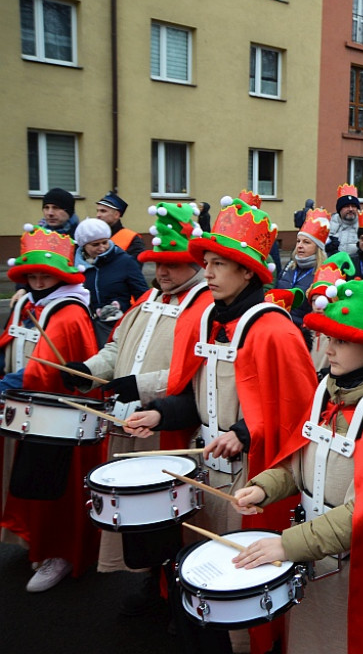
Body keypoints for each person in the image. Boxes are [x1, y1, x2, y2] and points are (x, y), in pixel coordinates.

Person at [124, 194, 317, 654]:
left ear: (247, 271)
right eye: (205, 262)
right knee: (201, 565)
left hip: (254, 475)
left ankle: (250, 642)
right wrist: (161, 413)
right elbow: (193, 396)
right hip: (204, 469)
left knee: (242, 574)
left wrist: (244, 434)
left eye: (217, 264)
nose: (206, 272)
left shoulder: (276, 330)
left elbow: (298, 410)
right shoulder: (205, 320)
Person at [231, 277, 363, 654]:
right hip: (314, 558)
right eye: (329, 339)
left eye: (341, 341)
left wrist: (287, 544)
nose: (328, 350)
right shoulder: (330, 390)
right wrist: (266, 486)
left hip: (360, 575)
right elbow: (301, 465)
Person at [59, 202, 212, 600]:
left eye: (172, 265)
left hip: (170, 429)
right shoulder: (146, 301)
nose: (162, 272)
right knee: (141, 518)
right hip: (130, 423)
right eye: (157, 264)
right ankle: (152, 580)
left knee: (172, 514)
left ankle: (179, 591)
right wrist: (86, 371)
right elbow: (115, 349)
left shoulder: (206, 308)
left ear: (193, 265)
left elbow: (197, 373)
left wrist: (139, 385)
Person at [0, 227, 101, 592]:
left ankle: (62, 553)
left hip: (58, 418)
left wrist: (8, 384)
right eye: (34, 274)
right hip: (26, 412)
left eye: (48, 275)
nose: (40, 281)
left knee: (58, 487)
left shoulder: (69, 312)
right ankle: (35, 540)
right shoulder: (27, 303)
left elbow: (48, 369)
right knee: (28, 480)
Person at [74, 218, 148, 340]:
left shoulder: (124, 261)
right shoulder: (76, 266)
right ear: (84, 246)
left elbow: (143, 295)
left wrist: (121, 306)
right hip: (86, 326)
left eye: (105, 242)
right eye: (95, 244)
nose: (102, 248)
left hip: (118, 326)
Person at [277, 206, 328, 340]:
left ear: (317, 249)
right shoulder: (290, 267)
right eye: (298, 241)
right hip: (279, 328)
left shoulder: (321, 274)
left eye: (306, 242)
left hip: (303, 335)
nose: (300, 246)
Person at [95, 192, 145, 258]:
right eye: (97, 211)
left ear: (116, 215)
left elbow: (134, 266)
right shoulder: (93, 236)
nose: (98, 215)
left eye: (103, 211)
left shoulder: (133, 239)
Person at [327, 183, 360, 256]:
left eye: (354, 206)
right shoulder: (328, 226)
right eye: (347, 206)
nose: (351, 209)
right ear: (339, 209)